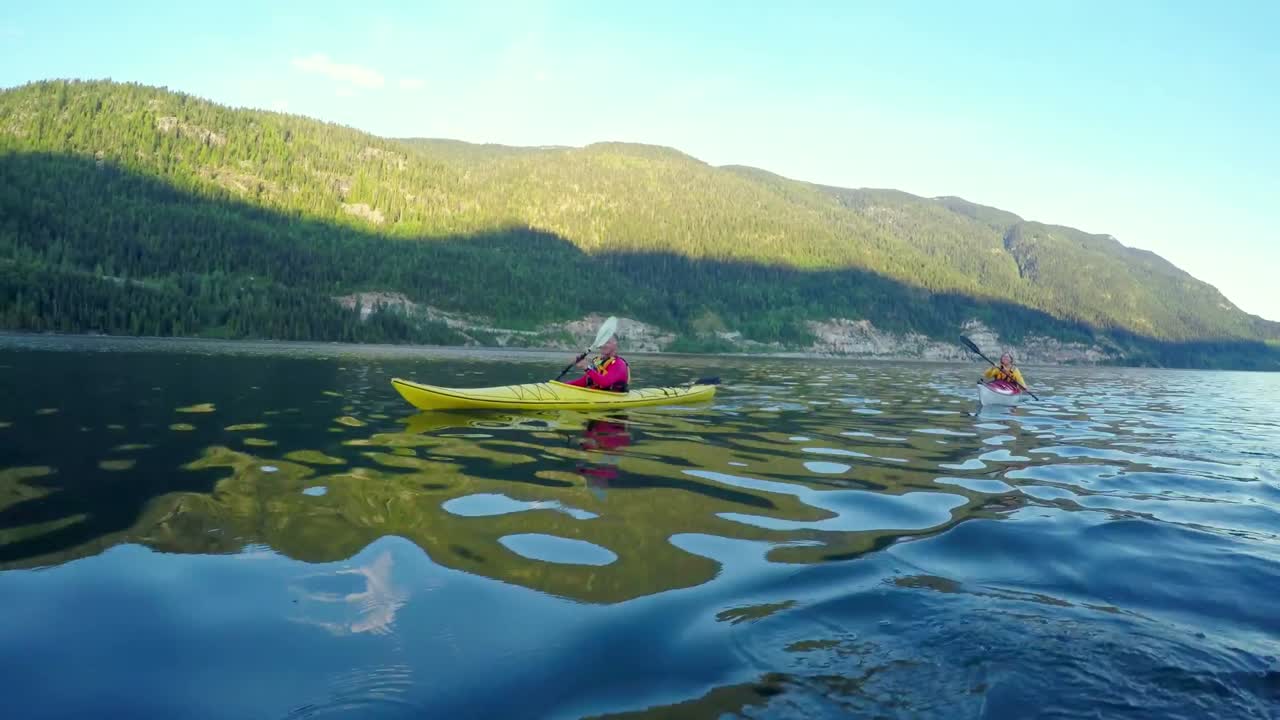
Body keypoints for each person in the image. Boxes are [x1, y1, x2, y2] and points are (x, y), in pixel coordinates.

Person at [564, 334, 630, 392]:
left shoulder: (619, 364)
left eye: (607, 342)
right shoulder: (598, 362)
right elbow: (585, 381)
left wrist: (586, 368)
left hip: (614, 396)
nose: (603, 345)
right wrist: (563, 386)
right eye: (602, 342)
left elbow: (605, 382)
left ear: (615, 345)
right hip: (597, 393)